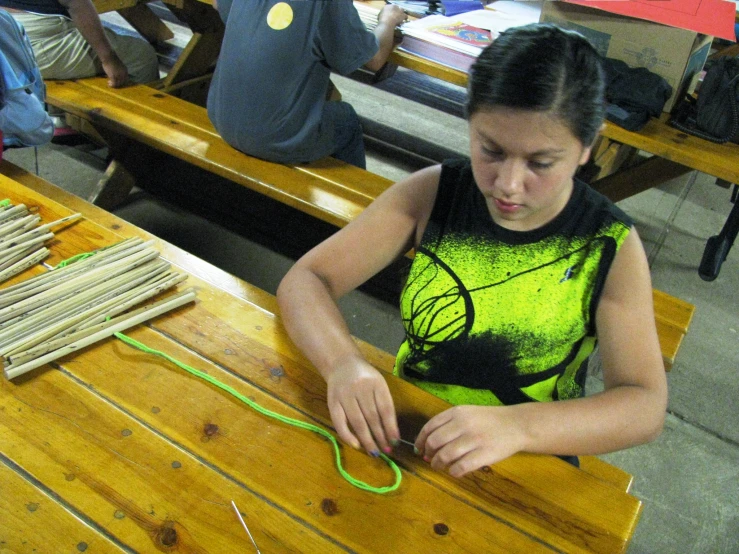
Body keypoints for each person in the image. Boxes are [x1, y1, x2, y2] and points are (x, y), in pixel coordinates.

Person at [276, 24, 667, 478]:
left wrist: (517, 427)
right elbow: (306, 280)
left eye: (540, 163)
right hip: (414, 434)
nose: (508, 184)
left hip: (528, 454)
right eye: (491, 150)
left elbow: (643, 404)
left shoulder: (607, 246)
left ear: (587, 146)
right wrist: (343, 364)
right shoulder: (433, 194)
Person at [207, 0, 406, 169]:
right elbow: (374, 59)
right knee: (348, 120)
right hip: (276, 137)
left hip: (221, 117)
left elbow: (220, 6)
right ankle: (356, 209)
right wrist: (387, 21)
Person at [0, 0, 159, 87]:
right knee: (142, 55)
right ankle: (133, 138)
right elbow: (77, 4)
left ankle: (61, 118)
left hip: (8, 33)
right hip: (32, 43)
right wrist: (109, 59)